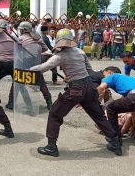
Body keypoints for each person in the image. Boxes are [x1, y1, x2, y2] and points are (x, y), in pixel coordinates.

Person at [30, 29, 122, 157]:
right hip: (89, 88)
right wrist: (73, 75)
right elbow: (89, 70)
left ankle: (51, 147)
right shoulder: (80, 52)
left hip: (76, 90)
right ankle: (115, 143)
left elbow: (43, 67)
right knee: (98, 116)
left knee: (55, 115)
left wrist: (27, 69)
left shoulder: (60, 56)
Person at [97, 66, 135, 145]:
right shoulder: (127, 79)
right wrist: (133, 128)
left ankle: (115, 138)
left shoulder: (112, 76)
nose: (104, 78)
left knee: (111, 108)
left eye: (104, 75)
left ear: (109, 72)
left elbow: (101, 87)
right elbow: (133, 111)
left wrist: (89, 97)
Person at [18, 21, 53, 111]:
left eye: (21, 30)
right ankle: (49, 102)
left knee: (18, 83)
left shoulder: (20, 38)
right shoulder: (38, 37)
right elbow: (45, 48)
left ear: (24, 30)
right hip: (35, 62)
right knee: (41, 83)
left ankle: (13, 103)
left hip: (24, 63)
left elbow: (17, 52)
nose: (20, 31)